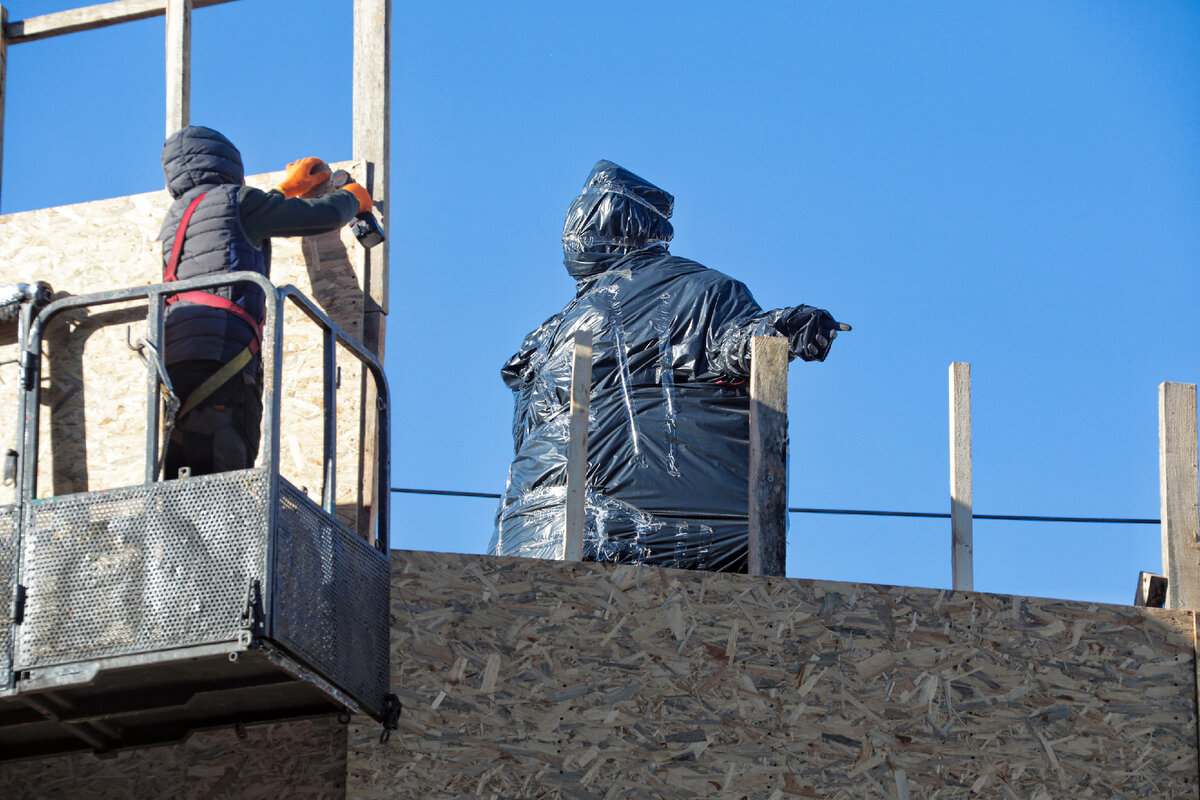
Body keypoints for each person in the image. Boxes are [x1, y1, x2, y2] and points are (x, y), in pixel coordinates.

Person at [489, 160, 849, 573]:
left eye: (588, 219)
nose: (575, 236)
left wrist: (779, 329)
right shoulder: (556, 328)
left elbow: (733, 342)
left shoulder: (690, 291)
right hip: (549, 531)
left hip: (617, 529)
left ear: (621, 225)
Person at [158, 125, 373, 478]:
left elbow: (228, 235)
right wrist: (352, 198)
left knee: (183, 471)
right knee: (225, 468)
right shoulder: (236, 201)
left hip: (177, 357)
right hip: (223, 353)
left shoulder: (177, 216)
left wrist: (283, 192)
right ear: (227, 163)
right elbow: (321, 217)